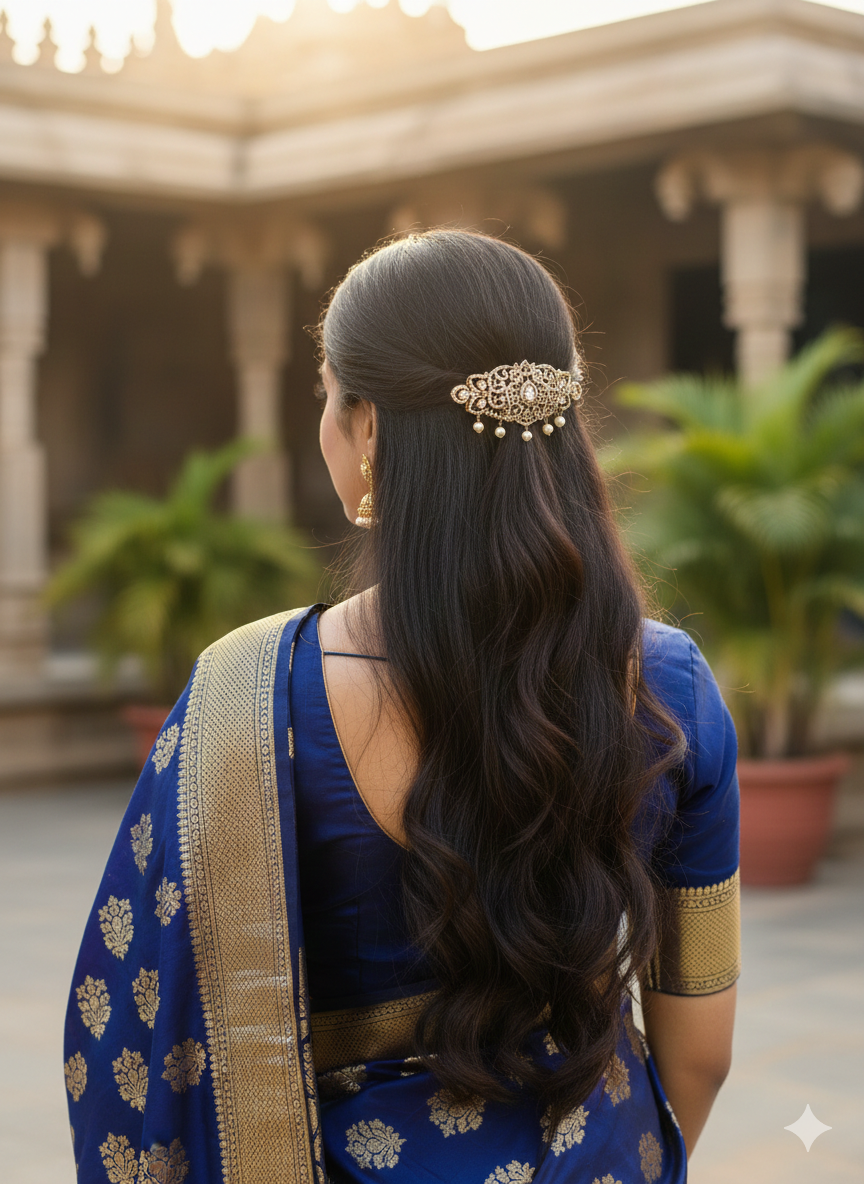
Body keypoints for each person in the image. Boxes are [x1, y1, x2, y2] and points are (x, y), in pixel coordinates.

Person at [64, 230, 739, 1184]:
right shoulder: (671, 686)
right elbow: (700, 1052)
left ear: (370, 426)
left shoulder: (251, 697)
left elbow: (128, 1035)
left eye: (326, 396)